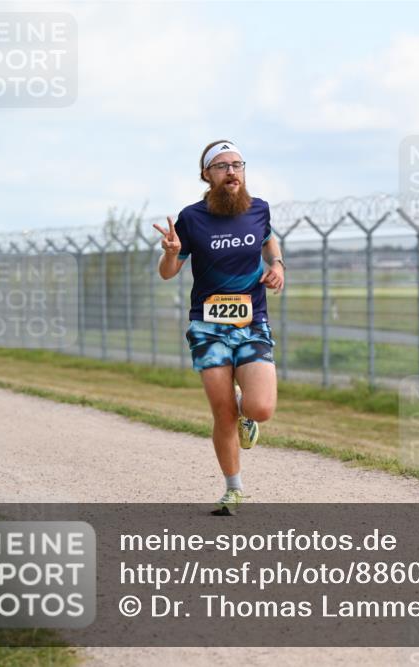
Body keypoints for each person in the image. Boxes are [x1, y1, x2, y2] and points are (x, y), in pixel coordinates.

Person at [154, 139, 285, 516]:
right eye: (222, 166)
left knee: (259, 408)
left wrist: (277, 266)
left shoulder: (258, 210)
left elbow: (268, 241)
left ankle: (249, 416)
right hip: (208, 327)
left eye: (237, 165)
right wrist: (169, 252)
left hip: (252, 321)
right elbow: (169, 273)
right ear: (207, 175)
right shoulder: (192, 218)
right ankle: (233, 488)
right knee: (222, 410)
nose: (232, 171)